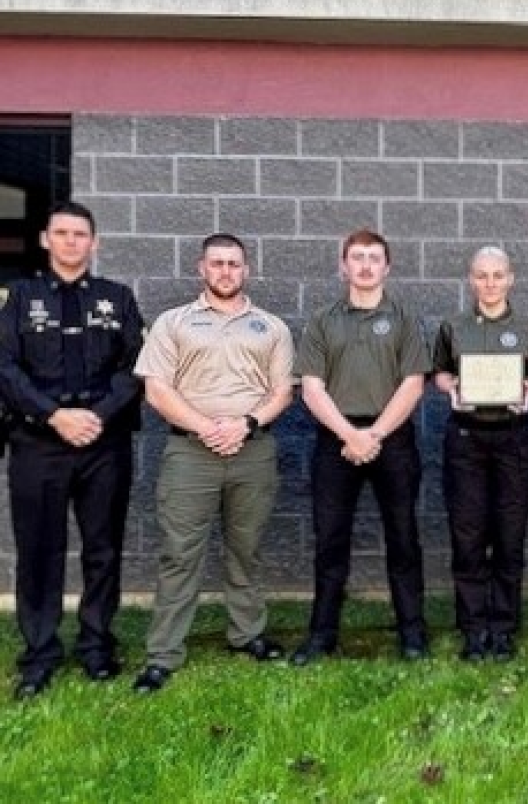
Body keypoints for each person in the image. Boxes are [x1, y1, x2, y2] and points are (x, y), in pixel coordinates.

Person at [129, 234, 294, 693]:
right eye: (217, 263)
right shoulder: (173, 323)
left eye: (234, 264)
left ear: (247, 270)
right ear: (201, 268)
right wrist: (206, 427)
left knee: (247, 548)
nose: (226, 271)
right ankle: (164, 653)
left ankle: (248, 634)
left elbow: (282, 392)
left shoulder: (271, 327)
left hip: (252, 450)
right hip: (190, 453)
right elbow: (157, 389)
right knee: (180, 553)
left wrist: (244, 423)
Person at [0, 201, 144, 699]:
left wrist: (96, 416)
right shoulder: (20, 298)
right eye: (60, 232)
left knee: (102, 549)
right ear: (46, 239)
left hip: (103, 443)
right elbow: (5, 369)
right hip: (38, 441)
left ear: (94, 242)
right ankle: (39, 654)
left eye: (80, 233)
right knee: (39, 551)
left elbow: (136, 368)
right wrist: (53, 415)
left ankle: (96, 646)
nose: (70, 241)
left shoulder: (117, 298)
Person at [290, 229, 432, 665]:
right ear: (343, 266)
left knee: (403, 538)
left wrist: (375, 435)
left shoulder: (405, 319)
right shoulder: (322, 320)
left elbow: (413, 384)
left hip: (392, 439)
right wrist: (350, 435)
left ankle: (411, 633)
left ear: (387, 267)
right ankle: (321, 635)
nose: (366, 266)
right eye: (357, 258)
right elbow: (311, 387)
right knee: (330, 541)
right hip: (336, 440)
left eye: (374, 258)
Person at [432, 246, 528, 663]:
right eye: (482, 276)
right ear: (470, 279)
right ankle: (473, 629)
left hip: (513, 436)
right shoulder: (453, 326)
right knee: (468, 535)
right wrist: (452, 390)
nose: (490, 284)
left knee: (510, 537)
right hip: (466, 437)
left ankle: (503, 628)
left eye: (498, 275)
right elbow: (440, 372)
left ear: (511, 279)